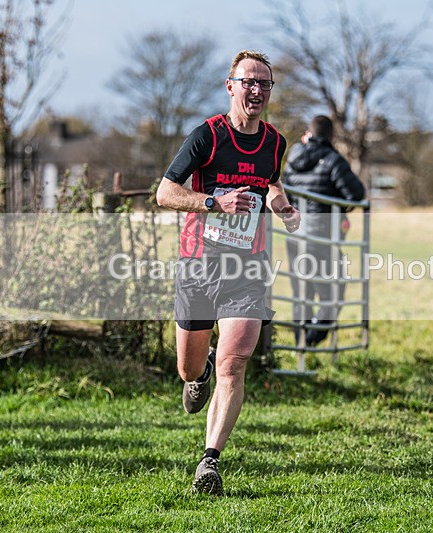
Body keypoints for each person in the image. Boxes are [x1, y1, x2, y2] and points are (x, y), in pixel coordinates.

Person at [156, 50, 301, 495]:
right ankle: (196, 378)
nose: (257, 90)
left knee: (234, 364)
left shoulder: (275, 142)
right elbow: (165, 192)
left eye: (265, 84)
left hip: (247, 267)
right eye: (249, 82)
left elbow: (269, 182)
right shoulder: (207, 136)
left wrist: (280, 205)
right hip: (199, 264)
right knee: (190, 365)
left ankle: (209, 462)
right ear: (231, 86)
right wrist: (213, 203)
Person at [283, 115, 366, 347]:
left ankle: (300, 346)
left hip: (295, 235)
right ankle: (313, 339)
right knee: (334, 292)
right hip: (323, 236)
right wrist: (338, 206)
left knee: (302, 292)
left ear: (308, 133)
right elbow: (356, 193)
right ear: (330, 136)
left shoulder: (292, 158)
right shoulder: (332, 160)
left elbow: (284, 193)